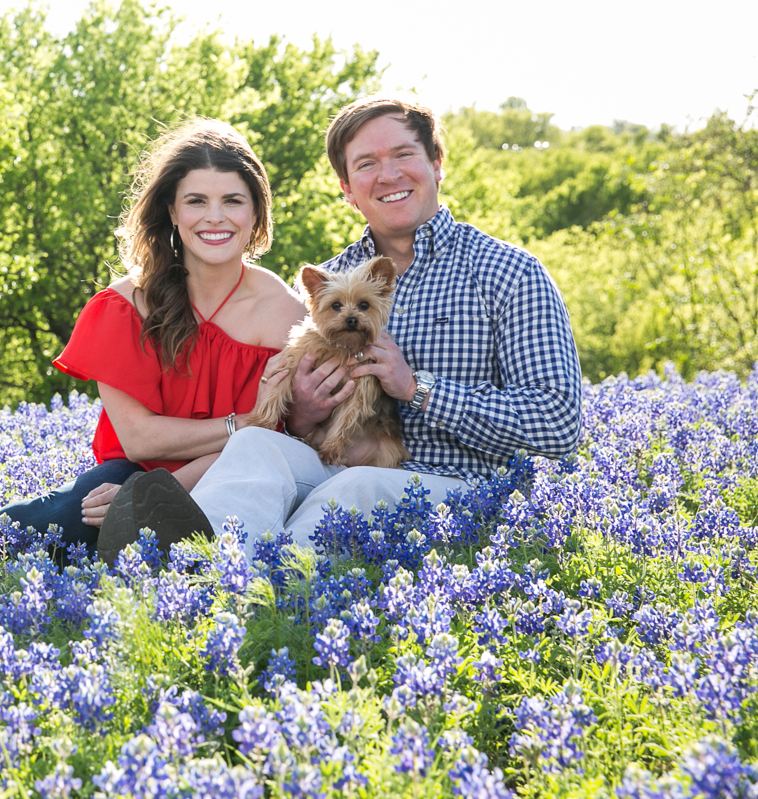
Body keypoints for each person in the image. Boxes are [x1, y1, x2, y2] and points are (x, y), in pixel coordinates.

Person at [85, 93, 585, 552]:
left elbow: (559, 424)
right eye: (367, 164)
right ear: (347, 188)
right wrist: (302, 412)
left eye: (404, 156)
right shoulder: (329, 280)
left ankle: (248, 594)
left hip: (459, 484)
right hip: (334, 460)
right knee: (257, 446)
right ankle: (192, 564)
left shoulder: (509, 273)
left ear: (436, 164)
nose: (388, 176)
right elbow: (290, 424)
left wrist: (418, 389)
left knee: (351, 489)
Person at [0, 119, 307, 559]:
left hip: (240, 474)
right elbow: (140, 440)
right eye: (196, 201)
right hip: (133, 470)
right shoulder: (124, 306)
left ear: (256, 213)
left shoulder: (288, 314)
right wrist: (244, 425)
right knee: (45, 534)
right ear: (173, 213)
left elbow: (281, 440)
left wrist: (165, 496)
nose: (215, 216)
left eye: (233, 200)